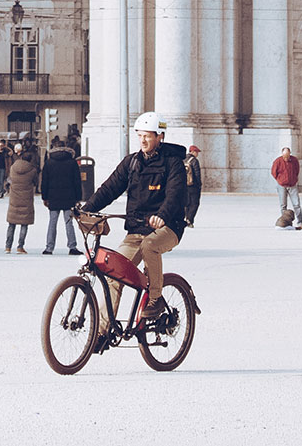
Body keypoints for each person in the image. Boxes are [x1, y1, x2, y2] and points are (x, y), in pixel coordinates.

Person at [83, 113, 189, 323]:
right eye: (140, 136)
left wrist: (162, 216)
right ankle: (103, 331)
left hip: (168, 227)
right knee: (113, 275)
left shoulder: (173, 163)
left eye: (148, 136)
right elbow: (110, 188)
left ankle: (156, 298)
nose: (143, 140)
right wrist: (86, 209)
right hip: (136, 230)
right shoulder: (132, 163)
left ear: (160, 137)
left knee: (150, 245)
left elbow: (175, 194)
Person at [40, 135, 82, 255]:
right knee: (69, 222)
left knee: (52, 222)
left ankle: (49, 247)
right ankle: (72, 246)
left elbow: (45, 181)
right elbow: (77, 181)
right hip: (69, 196)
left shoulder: (49, 162)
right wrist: (78, 198)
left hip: (53, 196)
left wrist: (45, 197)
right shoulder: (72, 162)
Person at [4, 140, 39, 253]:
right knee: (24, 224)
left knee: (11, 224)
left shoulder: (13, 168)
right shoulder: (33, 170)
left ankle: (8, 246)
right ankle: (20, 246)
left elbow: (10, 179)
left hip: (14, 198)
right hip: (26, 199)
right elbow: (36, 182)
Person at [271, 147, 302, 229]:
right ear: (282, 154)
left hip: (292, 185)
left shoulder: (294, 160)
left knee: (297, 204)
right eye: (284, 156)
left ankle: (300, 222)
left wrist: (294, 179)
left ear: (290, 154)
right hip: (282, 185)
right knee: (283, 205)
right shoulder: (278, 161)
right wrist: (280, 180)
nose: (286, 158)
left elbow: (297, 170)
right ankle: (285, 222)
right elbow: (273, 172)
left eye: (287, 156)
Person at [182, 145, 204, 229]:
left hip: (184, 185)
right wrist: (199, 185)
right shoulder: (194, 161)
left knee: (186, 203)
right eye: (197, 152)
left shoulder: (183, 159)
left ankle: (184, 218)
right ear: (193, 152)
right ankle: (189, 220)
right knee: (194, 203)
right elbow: (197, 174)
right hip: (193, 186)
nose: (197, 154)